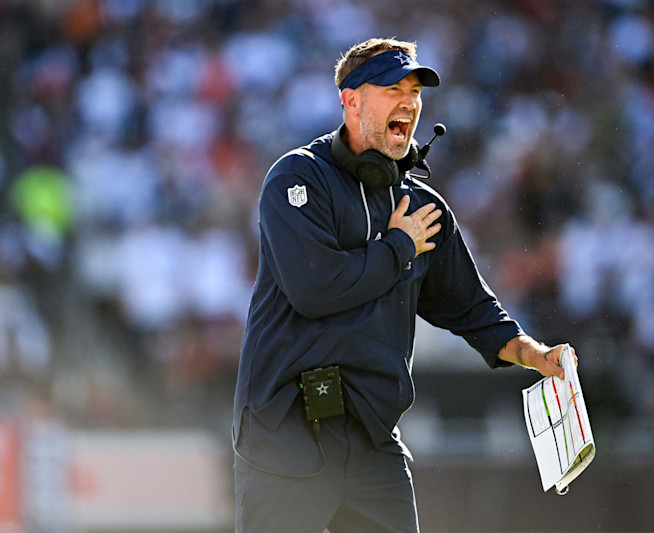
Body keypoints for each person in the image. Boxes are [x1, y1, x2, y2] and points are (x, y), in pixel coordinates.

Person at [232, 37, 578, 533]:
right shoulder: (297, 179)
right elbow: (317, 290)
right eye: (393, 87)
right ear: (350, 101)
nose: (410, 102)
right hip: (286, 433)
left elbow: (474, 310)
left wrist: (536, 355)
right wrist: (398, 246)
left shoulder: (422, 209)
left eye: (415, 92)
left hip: (373, 440)